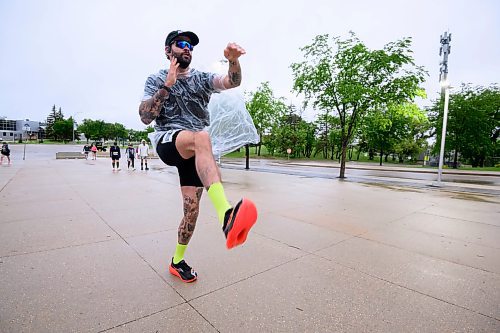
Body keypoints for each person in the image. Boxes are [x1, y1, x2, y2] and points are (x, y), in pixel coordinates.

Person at [139, 30, 257, 283]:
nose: (187, 48)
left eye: (190, 45)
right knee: (201, 136)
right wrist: (167, 85)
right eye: (181, 44)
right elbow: (146, 117)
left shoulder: (201, 79)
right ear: (168, 50)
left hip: (195, 155)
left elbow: (231, 82)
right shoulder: (156, 78)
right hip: (170, 142)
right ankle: (226, 214)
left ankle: (177, 260)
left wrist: (233, 60)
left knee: (191, 211)